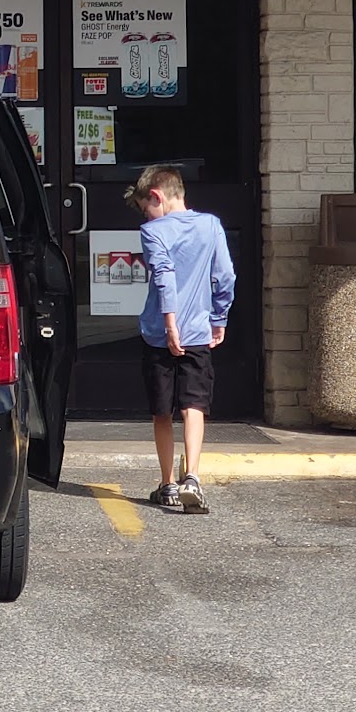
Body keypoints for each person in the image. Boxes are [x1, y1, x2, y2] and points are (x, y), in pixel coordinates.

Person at [130, 165, 235, 514]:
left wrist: (170, 324)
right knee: (194, 407)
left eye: (146, 208)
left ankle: (167, 484)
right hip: (199, 332)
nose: (147, 215)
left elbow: (164, 275)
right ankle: (192, 477)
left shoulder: (153, 231)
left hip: (159, 333)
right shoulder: (211, 225)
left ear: (156, 196)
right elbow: (225, 275)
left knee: (162, 411)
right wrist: (219, 317)